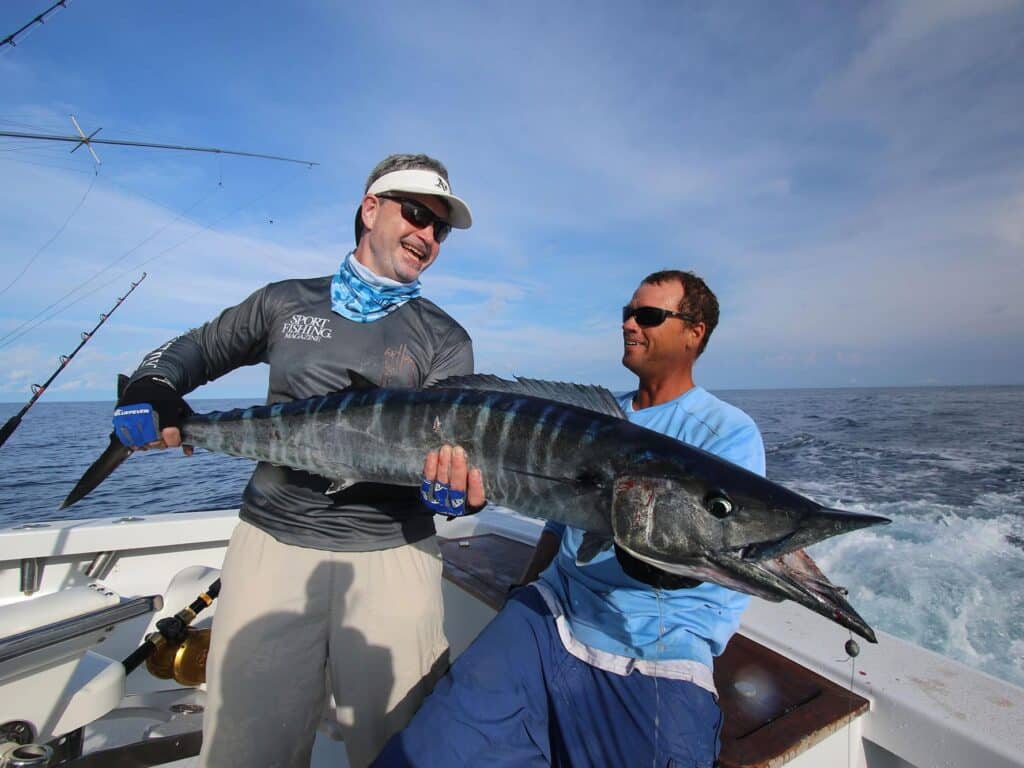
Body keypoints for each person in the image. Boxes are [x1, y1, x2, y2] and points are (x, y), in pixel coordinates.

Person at [111, 154, 475, 768]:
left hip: (393, 557)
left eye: (439, 228)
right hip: (270, 548)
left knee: (400, 748)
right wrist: (152, 384)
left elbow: (450, 447)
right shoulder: (286, 302)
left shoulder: (444, 338)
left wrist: (455, 488)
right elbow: (191, 350)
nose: (427, 236)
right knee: (247, 749)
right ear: (370, 209)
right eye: (416, 213)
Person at [375, 269, 766, 768]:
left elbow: (719, 547)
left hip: (651, 654)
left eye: (647, 316)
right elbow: (562, 520)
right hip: (549, 618)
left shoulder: (727, 432)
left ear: (695, 333)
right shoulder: (599, 415)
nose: (629, 324)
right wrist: (521, 592)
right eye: (627, 313)